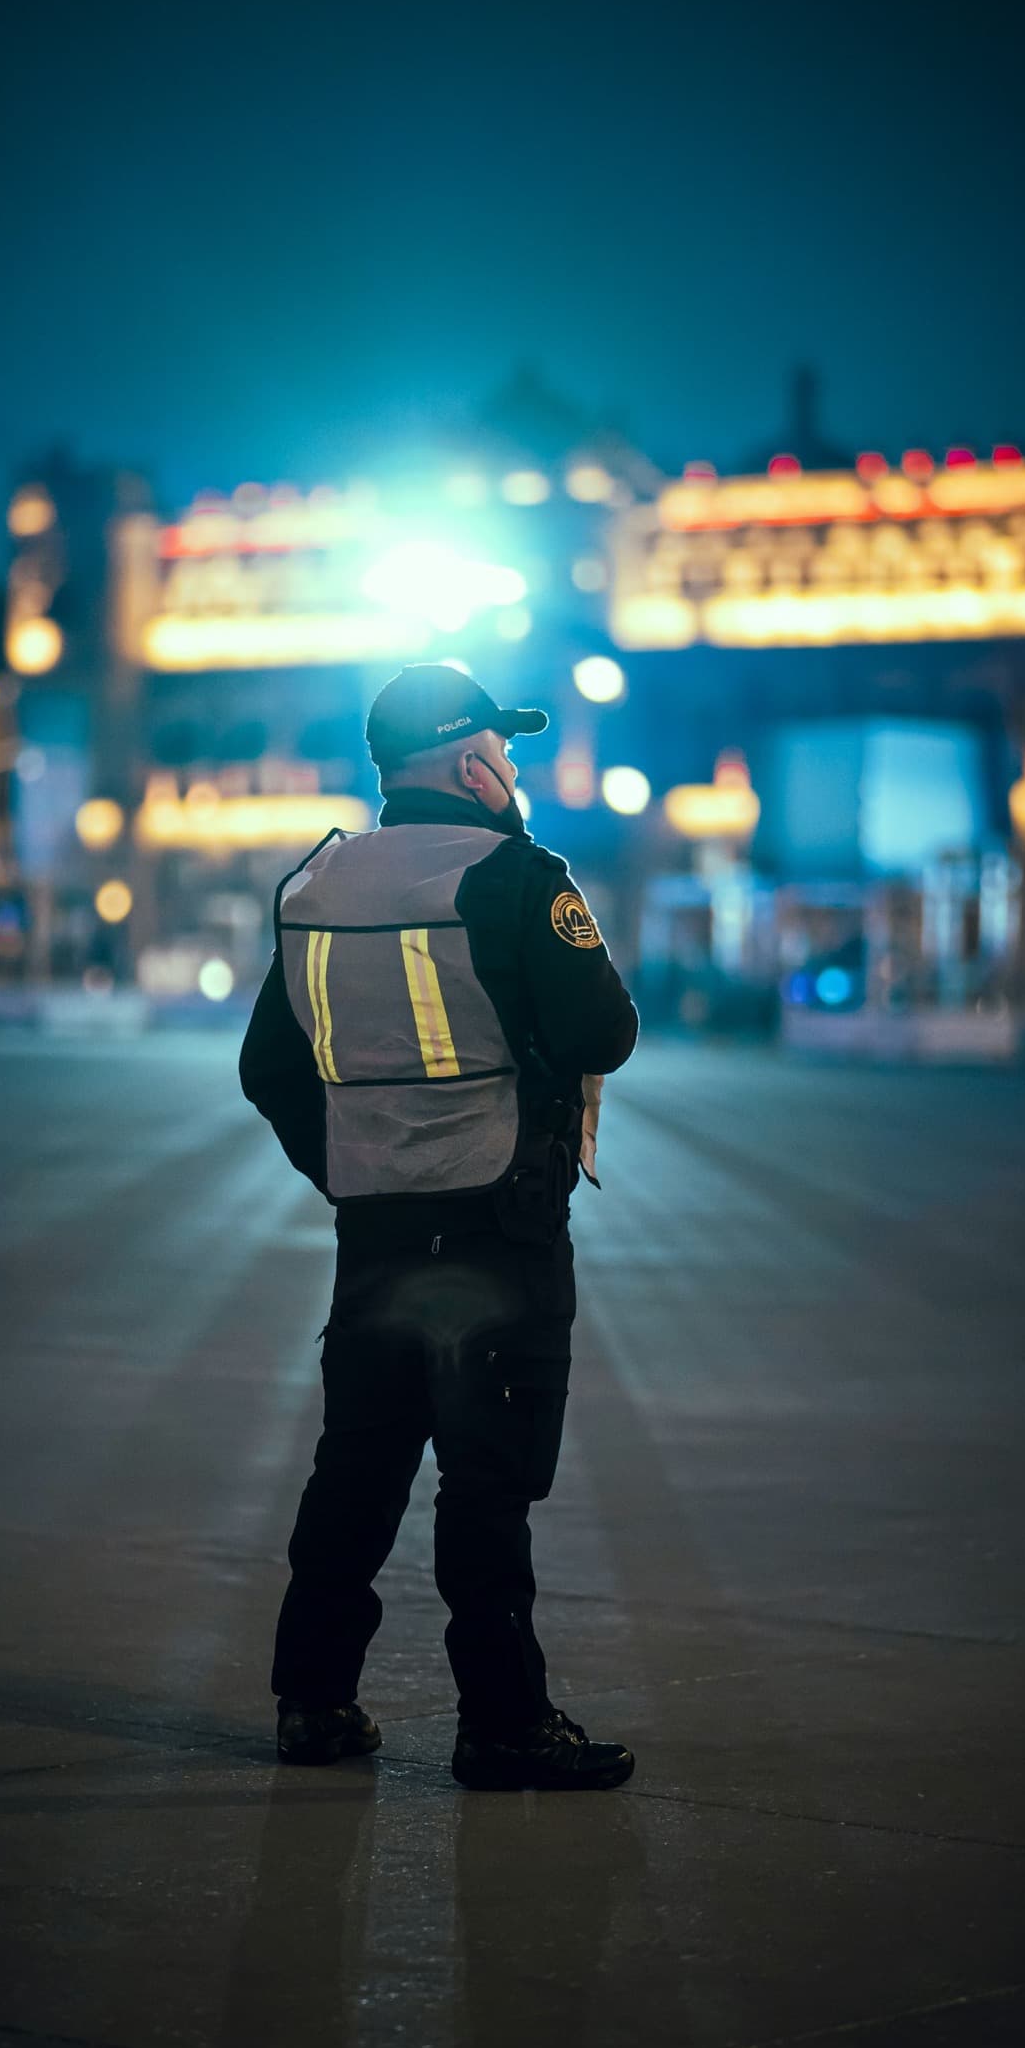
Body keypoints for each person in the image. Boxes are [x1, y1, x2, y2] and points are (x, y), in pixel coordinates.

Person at [239, 662, 639, 1789]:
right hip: (496, 1232)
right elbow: (602, 1033)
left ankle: (313, 1702)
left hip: (374, 1233)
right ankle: (502, 1724)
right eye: (503, 753)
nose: (511, 769)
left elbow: (269, 1066)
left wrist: (348, 1167)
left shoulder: (314, 885)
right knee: (487, 1482)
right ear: (470, 767)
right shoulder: (518, 878)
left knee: (356, 1468)